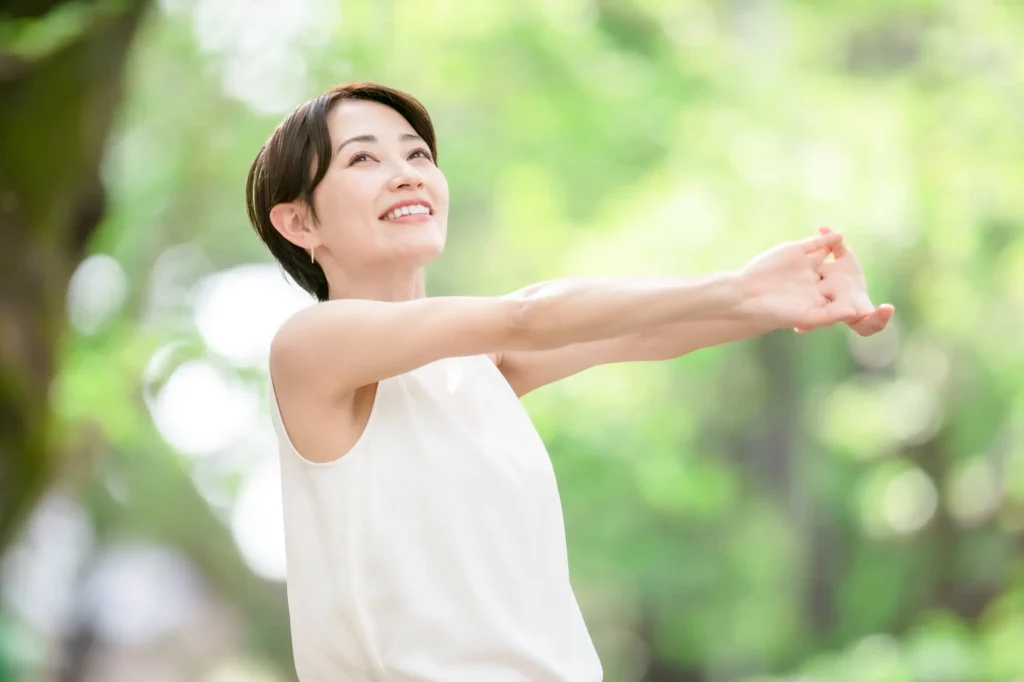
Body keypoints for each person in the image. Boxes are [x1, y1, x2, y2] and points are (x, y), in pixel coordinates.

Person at [244, 82, 894, 682]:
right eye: (363, 159)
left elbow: (642, 334)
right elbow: (527, 316)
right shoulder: (310, 347)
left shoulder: (477, 369)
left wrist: (800, 297)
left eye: (417, 154)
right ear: (299, 223)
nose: (407, 173)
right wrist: (740, 288)